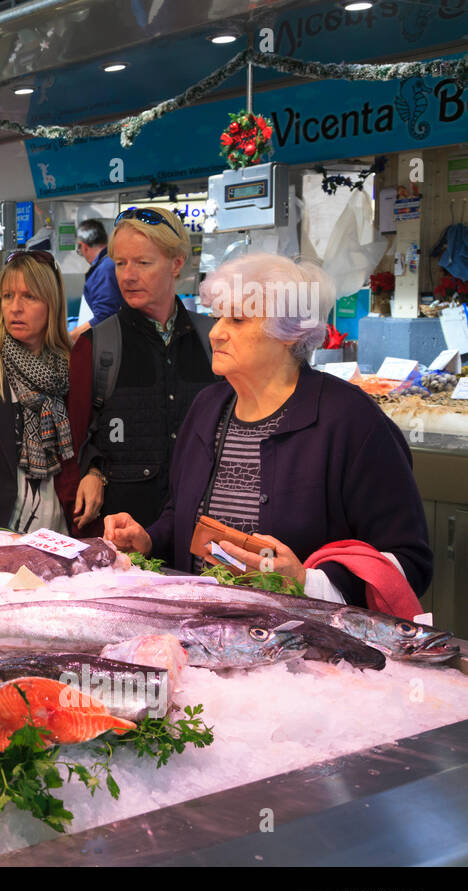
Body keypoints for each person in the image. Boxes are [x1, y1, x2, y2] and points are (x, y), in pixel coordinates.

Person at [104, 253, 432, 605]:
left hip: (304, 646)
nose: (215, 333)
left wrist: (307, 581)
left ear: (290, 333)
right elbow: (181, 515)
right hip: (207, 636)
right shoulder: (207, 408)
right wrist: (149, 539)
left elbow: (408, 563)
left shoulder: (350, 419)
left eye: (238, 320)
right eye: (217, 317)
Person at [0, 250, 106, 535]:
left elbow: (92, 439)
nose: (15, 307)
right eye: (6, 296)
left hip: (61, 530)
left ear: (52, 302)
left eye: (29, 297)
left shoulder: (74, 365)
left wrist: (95, 473)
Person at [84, 206, 218, 530]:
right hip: (126, 537)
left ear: (176, 263)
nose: (128, 276)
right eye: (120, 263)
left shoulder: (215, 339)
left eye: (143, 263)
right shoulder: (97, 345)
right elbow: (80, 434)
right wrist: (92, 470)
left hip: (202, 535)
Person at [68, 219, 124, 346]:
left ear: (84, 246)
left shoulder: (104, 269)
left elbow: (105, 316)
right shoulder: (111, 261)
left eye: (79, 250)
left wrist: (74, 335)